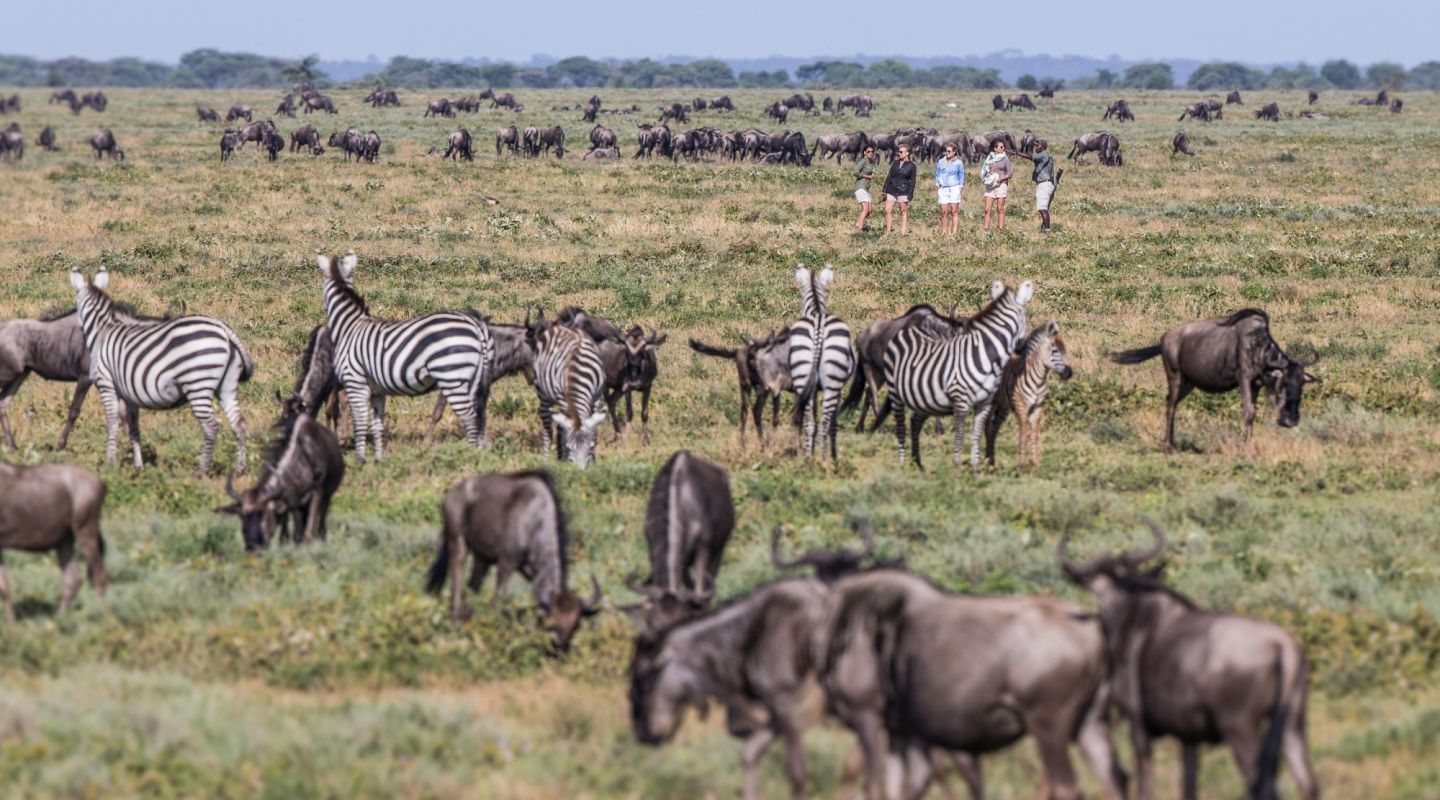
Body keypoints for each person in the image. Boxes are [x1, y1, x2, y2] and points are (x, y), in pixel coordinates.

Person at [1009, 138, 1060, 231]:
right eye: (1035, 145)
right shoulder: (1045, 155)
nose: (1035, 147)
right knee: (1043, 208)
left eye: (1037, 145)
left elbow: (1030, 157)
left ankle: (1047, 230)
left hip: (1044, 184)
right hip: (1046, 184)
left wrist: (1017, 153)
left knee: (1042, 208)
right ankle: (1046, 229)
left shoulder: (1042, 155)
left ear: (1043, 147)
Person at [882, 145, 917, 234]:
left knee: (903, 211)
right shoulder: (895, 163)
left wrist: (910, 193)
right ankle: (888, 230)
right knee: (887, 210)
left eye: (901, 152)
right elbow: (889, 176)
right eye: (899, 151)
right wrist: (884, 189)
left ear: (907, 153)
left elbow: (913, 181)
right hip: (891, 189)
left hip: (903, 190)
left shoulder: (912, 166)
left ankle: (903, 231)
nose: (899, 153)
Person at [980, 139, 1012, 231]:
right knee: (987, 209)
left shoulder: (1005, 159)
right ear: (995, 149)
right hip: (991, 185)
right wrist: (988, 174)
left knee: (1000, 208)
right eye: (1001, 147)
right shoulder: (989, 159)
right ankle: (985, 228)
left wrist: (1001, 178)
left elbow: (1010, 174)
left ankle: (1000, 228)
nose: (1003, 148)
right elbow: (985, 169)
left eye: (1003, 147)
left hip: (1001, 184)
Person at [934, 143, 965, 235]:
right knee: (944, 211)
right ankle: (944, 231)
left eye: (949, 151)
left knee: (954, 210)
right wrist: (937, 184)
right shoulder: (941, 162)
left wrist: (960, 186)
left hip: (954, 187)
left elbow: (961, 175)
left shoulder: (959, 163)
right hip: (943, 188)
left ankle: (954, 232)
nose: (947, 153)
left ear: (954, 152)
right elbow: (937, 173)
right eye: (946, 151)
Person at [852, 145, 878, 231]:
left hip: (866, 189)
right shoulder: (863, 161)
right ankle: (859, 229)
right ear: (864, 152)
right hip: (861, 187)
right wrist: (867, 176)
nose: (870, 153)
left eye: (872, 151)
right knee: (866, 209)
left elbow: (873, 173)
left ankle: (857, 224)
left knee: (869, 210)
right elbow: (855, 172)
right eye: (868, 151)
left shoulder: (870, 163)